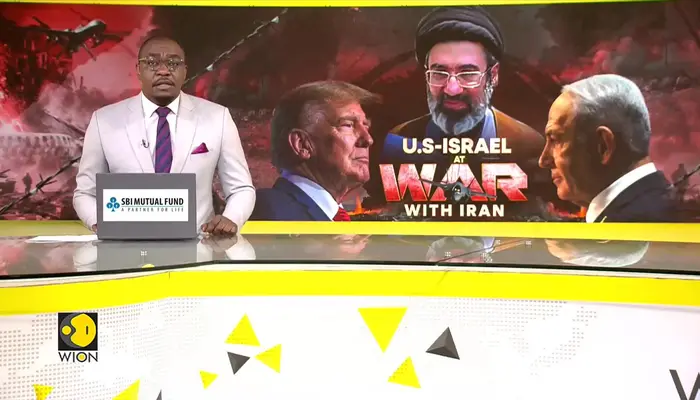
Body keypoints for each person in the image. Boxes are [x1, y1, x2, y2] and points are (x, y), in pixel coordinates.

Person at [379, 6, 553, 220]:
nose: (452, 89)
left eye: (468, 73)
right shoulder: (398, 141)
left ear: (493, 76)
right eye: (439, 73)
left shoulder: (528, 147)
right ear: (426, 76)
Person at [73, 32, 255, 236]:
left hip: (198, 245)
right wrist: (100, 223)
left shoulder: (217, 118)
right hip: (126, 246)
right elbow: (85, 193)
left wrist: (231, 218)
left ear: (185, 71)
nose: (163, 71)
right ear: (138, 70)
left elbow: (241, 188)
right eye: (152, 63)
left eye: (173, 63)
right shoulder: (104, 121)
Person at [539, 74, 677, 222]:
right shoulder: (660, 205)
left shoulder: (628, 225)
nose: (543, 160)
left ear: (603, 146)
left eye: (555, 140)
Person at [250, 80, 381, 221]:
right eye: (348, 125)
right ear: (302, 145)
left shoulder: (335, 216)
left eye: (366, 126)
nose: (368, 139)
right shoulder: (271, 210)